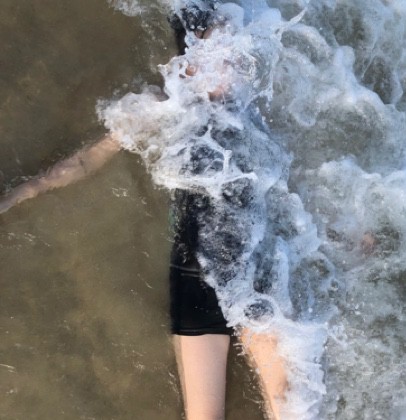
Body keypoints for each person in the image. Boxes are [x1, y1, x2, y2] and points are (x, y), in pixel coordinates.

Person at [0, 3, 287, 420]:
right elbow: (87, 160)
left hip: (255, 276)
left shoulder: (255, 112)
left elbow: (290, 194)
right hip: (195, 277)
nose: (236, 61)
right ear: (191, 62)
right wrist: (25, 190)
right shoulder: (163, 108)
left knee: (289, 401)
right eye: (223, 51)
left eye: (234, 49)